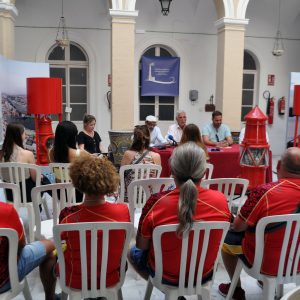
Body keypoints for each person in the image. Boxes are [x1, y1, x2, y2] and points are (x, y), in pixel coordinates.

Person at [128, 142, 231, 285]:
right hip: (204, 274)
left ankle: (167, 290)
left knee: (131, 252)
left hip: (165, 275)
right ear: (203, 172)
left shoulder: (157, 202)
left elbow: (142, 245)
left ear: (173, 171)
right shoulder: (220, 200)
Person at [218, 147, 300, 300]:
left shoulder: (264, 192)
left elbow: (238, 226)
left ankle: (236, 289)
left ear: (278, 165)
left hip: (265, 264)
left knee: (228, 238)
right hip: (297, 262)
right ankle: (264, 282)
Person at [58, 155, 130, 289]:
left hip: (76, 280)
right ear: (110, 180)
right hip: (110, 278)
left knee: (51, 257)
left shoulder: (67, 216)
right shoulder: (123, 211)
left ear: (77, 182)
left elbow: (63, 246)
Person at [0, 202, 57, 299]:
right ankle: (50, 298)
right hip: (4, 279)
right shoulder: (5, 210)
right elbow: (21, 244)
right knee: (51, 247)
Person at [49, 121, 90, 202]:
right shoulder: (80, 154)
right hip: (77, 193)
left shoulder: (51, 152)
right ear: (73, 137)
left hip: (60, 193)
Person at [121, 125, 161, 201]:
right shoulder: (156, 156)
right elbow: (157, 180)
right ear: (148, 138)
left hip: (129, 197)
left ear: (134, 139)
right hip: (149, 198)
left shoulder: (128, 154)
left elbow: (121, 177)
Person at [0, 123, 39, 202]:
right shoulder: (28, 154)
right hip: (27, 195)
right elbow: (35, 179)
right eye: (24, 133)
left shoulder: (1, 154)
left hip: (10, 195)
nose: (26, 136)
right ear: (19, 135)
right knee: (43, 179)